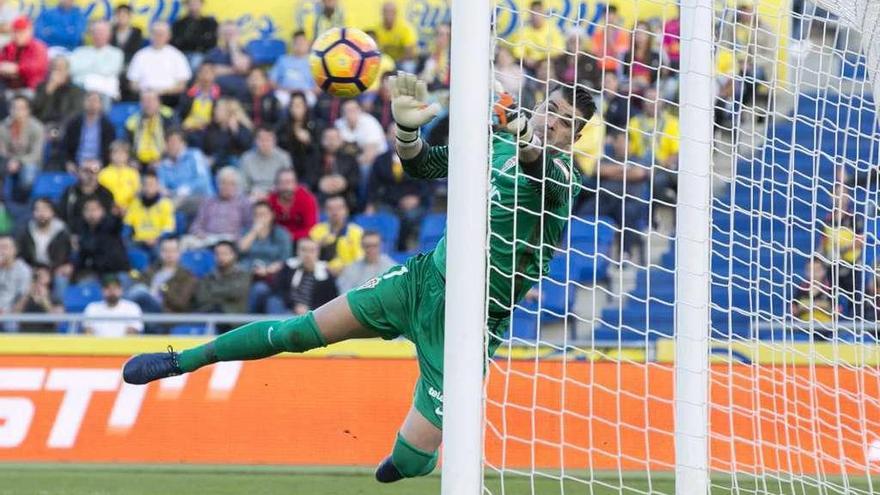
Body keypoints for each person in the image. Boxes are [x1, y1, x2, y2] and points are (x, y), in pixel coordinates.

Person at [121, 71, 596, 486]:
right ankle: (180, 361)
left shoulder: (566, 175)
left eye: (567, 122)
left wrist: (517, 129)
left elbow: (541, 169)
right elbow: (421, 166)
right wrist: (408, 131)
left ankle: (411, 459)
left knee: (409, 462)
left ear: (574, 136)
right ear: (539, 106)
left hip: (469, 325)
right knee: (297, 331)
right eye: (551, 110)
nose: (553, 122)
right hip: (422, 280)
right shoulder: (496, 144)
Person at [367, 124, 430, 250]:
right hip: (389, 202)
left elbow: (428, 183)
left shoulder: (419, 157)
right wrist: (370, 204)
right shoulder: (381, 159)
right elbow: (373, 184)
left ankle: (405, 249)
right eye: (393, 134)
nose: (396, 138)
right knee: (386, 219)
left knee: (410, 217)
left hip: (415, 202)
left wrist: (416, 198)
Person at [240, 200, 293, 312]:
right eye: (257, 215)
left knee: (260, 289)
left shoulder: (281, 233)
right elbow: (240, 250)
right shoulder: (246, 232)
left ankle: (249, 320)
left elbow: (285, 259)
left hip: (272, 276)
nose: (260, 218)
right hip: (246, 275)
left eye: (264, 214)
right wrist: (254, 231)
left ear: (271, 215)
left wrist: (267, 270)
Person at [126, 236, 198, 317]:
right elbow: (139, 283)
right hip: (144, 308)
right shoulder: (152, 270)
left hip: (165, 313)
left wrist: (164, 290)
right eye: (165, 251)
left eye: (173, 251)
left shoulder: (187, 276)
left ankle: (120, 310)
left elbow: (181, 303)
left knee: (140, 290)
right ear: (160, 253)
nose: (169, 254)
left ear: (179, 253)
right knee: (128, 280)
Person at [184, 166, 251, 250]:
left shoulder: (243, 202)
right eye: (223, 183)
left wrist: (237, 236)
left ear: (236, 186)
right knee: (185, 242)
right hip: (208, 238)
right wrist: (201, 234)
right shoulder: (208, 201)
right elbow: (196, 225)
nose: (226, 187)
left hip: (231, 240)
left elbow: (248, 226)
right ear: (218, 184)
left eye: (231, 184)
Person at [126, 21, 191, 104]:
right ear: (150, 36)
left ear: (168, 36)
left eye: (162, 34)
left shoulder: (177, 55)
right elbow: (132, 83)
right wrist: (147, 92)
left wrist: (162, 92)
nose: (158, 37)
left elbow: (182, 85)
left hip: (168, 97)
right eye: (155, 33)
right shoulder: (140, 55)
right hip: (144, 96)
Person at [155, 129, 214, 218]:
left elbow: (203, 180)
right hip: (175, 199)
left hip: (200, 197)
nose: (171, 145)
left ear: (183, 143)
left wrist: (186, 189)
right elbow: (162, 188)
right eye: (168, 142)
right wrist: (168, 192)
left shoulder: (195, 155)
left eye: (174, 142)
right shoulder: (163, 166)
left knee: (172, 204)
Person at [17, 198, 73, 288]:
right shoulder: (26, 232)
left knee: (61, 279)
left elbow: (62, 257)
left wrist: (49, 272)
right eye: (37, 210)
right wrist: (35, 271)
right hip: (33, 269)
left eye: (45, 209)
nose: (41, 213)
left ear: (53, 212)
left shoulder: (62, 233)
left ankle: (60, 302)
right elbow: (22, 256)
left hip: (56, 269)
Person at [74, 197, 129, 281]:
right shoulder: (82, 229)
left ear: (102, 211)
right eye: (87, 210)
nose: (91, 213)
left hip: (116, 271)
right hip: (95, 273)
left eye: (94, 209)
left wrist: (119, 216)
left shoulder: (109, 224)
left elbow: (116, 224)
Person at [0, 95, 45, 196]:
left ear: (28, 110)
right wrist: (9, 160)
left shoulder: (37, 127)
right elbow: (2, 150)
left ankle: (21, 202)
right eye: (14, 108)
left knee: (28, 174)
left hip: (29, 162)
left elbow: (36, 155)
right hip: (8, 160)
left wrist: (19, 161)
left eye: (21, 108)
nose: (17, 111)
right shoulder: (3, 126)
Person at [59, 159, 115, 238]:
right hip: (73, 235)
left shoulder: (106, 194)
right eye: (86, 170)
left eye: (94, 171)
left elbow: (109, 220)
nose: (90, 174)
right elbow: (62, 215)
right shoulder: (69, 192)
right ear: (78, 172)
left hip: (100, 237)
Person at [69, 20, 125, 100]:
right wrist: (96, 70)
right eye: (95, 32)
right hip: (80, 90)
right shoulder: (79, 52)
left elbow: (109, 72)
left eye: (102, 32)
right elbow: (73, 70)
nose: (98, 35)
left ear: (109, 35)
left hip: (104, 93)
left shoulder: (116, 53)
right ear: (90, 34)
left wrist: (86, 71)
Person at [59, 92, 116, 170]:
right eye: (89, 100)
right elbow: (64, 146)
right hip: (77, 164)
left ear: (100, 105)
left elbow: (110, 149)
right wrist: (68, 163)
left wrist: (102, 163)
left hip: (99, 165)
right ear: (84, 102)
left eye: (95, 101)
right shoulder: (74, 123)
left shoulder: (108, 126)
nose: (92, 104)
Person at [309, 195, 364, 276]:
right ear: (324, 211)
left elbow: (360, 260)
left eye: (339, 208)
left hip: (349, 274)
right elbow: (310, 257)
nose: (334, 212)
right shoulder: (316, 231)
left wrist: (344, 269)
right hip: (323, 274)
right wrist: (320, 246)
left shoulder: (357, 232)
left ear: (346, 211)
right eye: (330, 209)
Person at [193, 240, 250, 316]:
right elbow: (202, 298)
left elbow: (237, 293)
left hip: (234, 320)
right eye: (217, 254)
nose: (220, 257)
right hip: (210, 315)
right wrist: (226, 295)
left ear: (234, 255)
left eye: (224, 254)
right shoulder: (208, 276)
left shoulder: (243, 274)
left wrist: (214, 292)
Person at [307, 126, 360, 207]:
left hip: (344, 195)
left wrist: (344, 182)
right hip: (320, 195)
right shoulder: (313, 158)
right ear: (322, 140)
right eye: (328, 138)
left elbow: (356, 179)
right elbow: (308, 178)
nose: (331, 141)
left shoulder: (350, 158)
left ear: (340, 141)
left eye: (334, 138)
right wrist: (319, 183)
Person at [124, 171, 175, 250]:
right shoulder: (135, 203)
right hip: (138, 241)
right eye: (146, 184)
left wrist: (157, 238)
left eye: (152, 184)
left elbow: (169, 228)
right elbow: (127, 225)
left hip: (158, 241)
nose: (149, 187)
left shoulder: (165, 204)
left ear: (158, 185)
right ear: (142, 186)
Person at [125, 90, 178, 167]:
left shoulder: (169, 117)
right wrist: (132, 159)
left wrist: (163, 159)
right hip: (139, 162)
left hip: (163, 160)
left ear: (159, 102)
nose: (148, 104)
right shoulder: (132, 121)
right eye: (144, 101)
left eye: (151, 100)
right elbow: (127, 144)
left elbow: (175, 141)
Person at [32, 57, 84, 133]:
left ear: (67, 71)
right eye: (54, 68)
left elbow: (76, 113)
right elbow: (35, 110)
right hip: (43, 125)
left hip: (64, 127)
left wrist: (59, 126)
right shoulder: (42, 87)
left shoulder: (77, 90)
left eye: (60, 69)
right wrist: (48, 92)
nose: (56, 72)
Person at [240, 126, 293, 200]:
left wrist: (271, 194)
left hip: (277, 194)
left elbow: (288, 182)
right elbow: (243, 185)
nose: (264, 143)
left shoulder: (283, 157)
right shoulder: (246, 158)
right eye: (261, 140)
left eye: (268, 140)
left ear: (274, 141)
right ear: (255, 141)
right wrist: (252, 192)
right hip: (254, 195)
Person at [510, 1, 565, 70]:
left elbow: (559, 51)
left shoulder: (553, 29)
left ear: (543, 13)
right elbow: (518, 51)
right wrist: (525, 58)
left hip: (549, 64)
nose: (536, 16)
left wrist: (543, 60)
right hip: (529, 66)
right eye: (533, 13)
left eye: (538, 12)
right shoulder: (523, 30)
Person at [266, 168, 318, 243]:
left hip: (300, 240)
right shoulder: (270, 200)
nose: (286, 187)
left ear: (295, 184)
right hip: (276, 240)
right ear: (276, 185)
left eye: (289, 182)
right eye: (282, 183)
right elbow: (265, 225)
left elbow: (311, 228)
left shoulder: (307, 199)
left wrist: (289, 237)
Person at [335, 99, 388, 170]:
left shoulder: (370, 122)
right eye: (347, 110)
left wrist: (352, 165)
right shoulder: (339, 124)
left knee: (364, 168)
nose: (350, 112)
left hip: (376, 158)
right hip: (349, 159)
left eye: (353, 109)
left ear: (359, 110)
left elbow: (370, 154)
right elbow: (335, 147)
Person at [202, 97, 253, 168]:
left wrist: (235, 131)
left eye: (219, 110)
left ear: (229, 112)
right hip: (214, 163)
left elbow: (246, 146)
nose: (215, 112)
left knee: (233, 159)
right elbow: (207, 147)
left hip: (232, 163)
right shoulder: (212, 127)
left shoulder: (241, 127)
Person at [0, 17, 49, 92]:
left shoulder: (38, 47)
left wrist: (17, 69)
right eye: (16, 32)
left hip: (30, 88)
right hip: (8, 85)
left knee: (20, 102)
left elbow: (36, 68)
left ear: (30, 32)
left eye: (22, 32)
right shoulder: (9, 47)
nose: (18, 35)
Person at [277, 91, 318, 178]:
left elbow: (319, 149)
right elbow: (279, 146)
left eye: (299, 105)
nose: (296, 109)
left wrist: (308, 141)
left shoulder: (315, 124)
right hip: (289, 164)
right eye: (293, 105)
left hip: (309, 167)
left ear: (305, 107)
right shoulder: (283, 125)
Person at [13, 264, 62, 333]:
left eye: (42, 275)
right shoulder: (23, 296)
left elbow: (57, 321)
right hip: (25, 336)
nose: (39, 278)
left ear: (49, 278)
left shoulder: (55, 297)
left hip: (47, 336)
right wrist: (27, 295)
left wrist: (44, 300)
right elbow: (14, 316)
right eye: (36, 276)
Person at [178, 62, 220, 139]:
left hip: (210, 131)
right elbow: (182, 113)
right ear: (198, 75)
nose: (205, 76)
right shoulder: (189, 94)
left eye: (209, 72)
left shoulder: (220, 95)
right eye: (203, 72)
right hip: (189, 130)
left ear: (214, 75)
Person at [171, 0, 218, 68]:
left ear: (201, 4)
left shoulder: (209, 22)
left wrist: (189, 41)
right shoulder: (178, 24)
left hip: (203, 54)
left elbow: (212, 42)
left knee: (196, 62)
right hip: (182, 54)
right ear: (186, 5)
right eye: (191, 4)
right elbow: (175, 43)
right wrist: (201, 39)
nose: (193, 7)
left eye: (196, 3)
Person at [373, 2, 418, 71]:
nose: (388, 14)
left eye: (391, 12)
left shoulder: (405, 28)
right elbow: (376, 51)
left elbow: (410, 53)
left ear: (396, 13)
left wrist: (395, 62)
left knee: (408, 66)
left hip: (402, 61)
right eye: (386, 12)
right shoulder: (376, 29)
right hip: (386, 61)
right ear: (382, 13)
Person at [269, 31, 316, 96]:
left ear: (308, 44)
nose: (299, 46)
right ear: (292, 44)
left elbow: (319, 86)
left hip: (307, 93)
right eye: (296, 43)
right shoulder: (283, 60)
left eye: (302, 43)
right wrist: (281, 89)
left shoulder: (314, 62)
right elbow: (272, 80)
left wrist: (306, 92)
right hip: (285, 93)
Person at [97, 140, 140, 210]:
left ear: (127, 155)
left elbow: (137, 194)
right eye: (115, 153)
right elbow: (100, 194)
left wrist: (128, 207)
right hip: (108, 209)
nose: (119, 156)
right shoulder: (103, 173)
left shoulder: (133, 173)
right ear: (110, 155)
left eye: (122, 153)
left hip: (129, 210)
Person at [0, 234, 30, 315]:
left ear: (14, 250)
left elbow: (23, 297)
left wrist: (12, 313)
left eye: (4, 247)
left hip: (11, 313)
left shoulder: (23, 269)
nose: (1, 251)